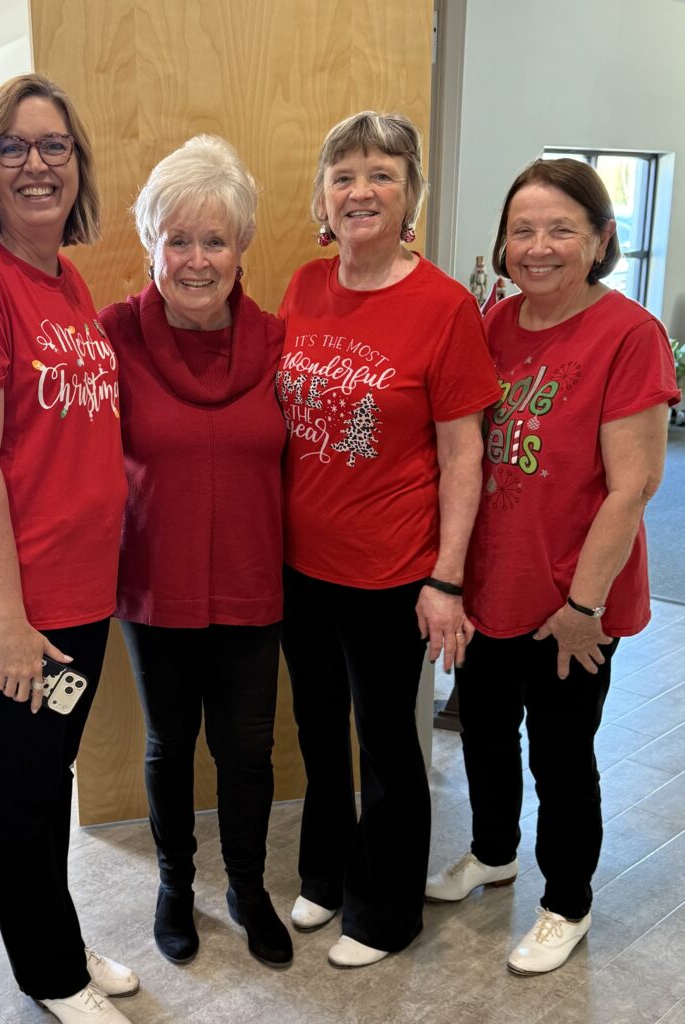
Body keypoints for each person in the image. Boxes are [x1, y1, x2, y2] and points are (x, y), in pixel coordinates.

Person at [0, 74, 136, 1024]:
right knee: (28, 792)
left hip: (80, 592)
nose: (37, 164)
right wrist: (8, 621)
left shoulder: (65, 278)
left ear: (77, 163)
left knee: (50, 780)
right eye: (14, 146)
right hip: (16, 605)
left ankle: (59, 940)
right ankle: (50, 976)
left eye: (55, 146)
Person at [425, 158, 679, 975]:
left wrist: (583, 607)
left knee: (560, 757)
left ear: (600, 239)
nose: (537, 247)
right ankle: (493, 853)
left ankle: (565, 902)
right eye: (522, 230)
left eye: (560, 229)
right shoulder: (492, 323)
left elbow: (633, 484)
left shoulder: (629, 334)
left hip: (571, 597)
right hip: (492, 585)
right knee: (483, 734)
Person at [276, 111, 500, 967]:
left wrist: (445, 579)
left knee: (384, 740)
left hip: (390, 568)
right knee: (316, 727)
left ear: (410, 195)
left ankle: (386, 909)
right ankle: (326, 873)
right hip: (299, 562)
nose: (359, 191)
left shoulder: (442, 307)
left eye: (380, 174)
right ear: (322, 197)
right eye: (343, 175)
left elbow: (462, 454)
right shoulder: (303, 285)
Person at [99, 136, 291, 969]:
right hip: (155, 585)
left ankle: (246, 887)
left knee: (247, 750)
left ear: (241, 245)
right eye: (178, 239)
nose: (197, 259)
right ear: (151, 243)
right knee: (168, 746)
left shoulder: (279, 342)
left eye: (214, 239)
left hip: (252, 582)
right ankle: (175, 885)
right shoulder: (110, 337)